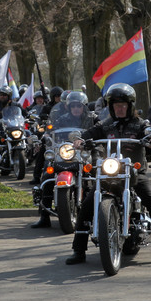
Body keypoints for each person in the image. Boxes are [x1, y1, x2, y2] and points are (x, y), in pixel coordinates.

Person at [64, 83, 151, 265]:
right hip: (110, 173)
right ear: (111, 107)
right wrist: (77, 139)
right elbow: (87, 133)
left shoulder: (140, 124)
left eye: (123, 105)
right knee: (87, 204)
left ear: (130, 106)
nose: (120, 108)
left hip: (134, 172)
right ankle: (78, 250)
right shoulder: (105, 125)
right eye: (116, 105)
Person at [30, 91, 97, 228]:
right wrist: (46, 136)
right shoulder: (62, 119)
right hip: (66, 152)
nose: (76, 109)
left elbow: (101, 130)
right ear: (68, 107)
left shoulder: (93, 118)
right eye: (73, 106)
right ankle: (44, 216)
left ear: (83, 107)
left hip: (86, 152)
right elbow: (51, 130)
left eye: (78, 106)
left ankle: (97, 213)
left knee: (96, 175)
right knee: (48, 175)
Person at [0, 85, 27, 178]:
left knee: (29, 137)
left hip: (14, 128)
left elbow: (25, 114)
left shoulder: (16, 105)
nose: (2, 96)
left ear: (9, 96)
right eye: (1, 95)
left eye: (4, 95)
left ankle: (28, 158)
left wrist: (29, 118)